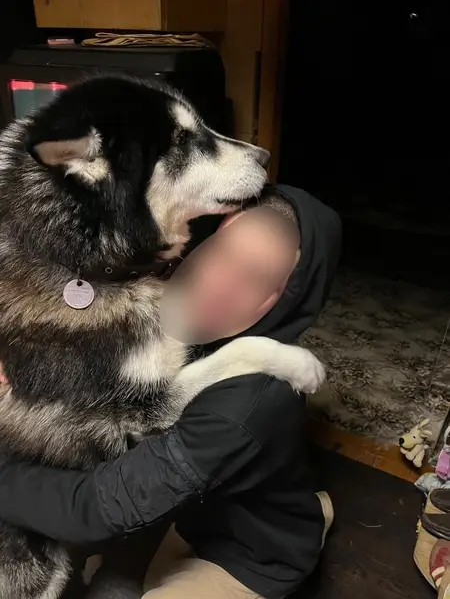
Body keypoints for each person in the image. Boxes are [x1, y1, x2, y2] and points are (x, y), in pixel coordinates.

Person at [0, 184, 341, 599]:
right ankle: (305, 505)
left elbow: (96, 509)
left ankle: (299, 527)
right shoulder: (162, 281)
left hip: (248, 555)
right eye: (224, 253)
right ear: (217, 230)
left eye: (256, 279)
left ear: (290, 297)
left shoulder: (242, 408)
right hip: (193, 512)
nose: (219, 286)